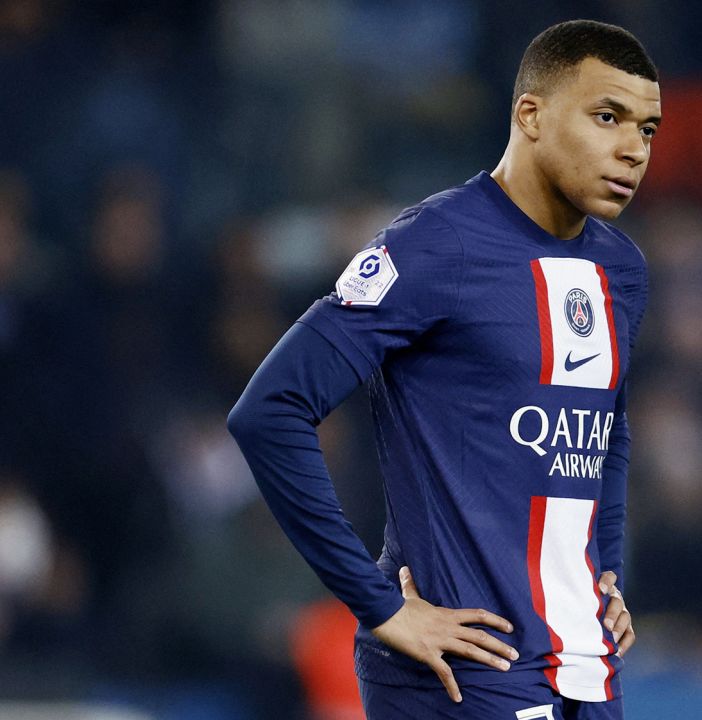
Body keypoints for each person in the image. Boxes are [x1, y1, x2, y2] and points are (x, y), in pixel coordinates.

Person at [227, 19, 659, 720]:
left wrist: (604, 577)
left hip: (585, 668)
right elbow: (270, 411)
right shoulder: (436, 245)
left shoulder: (622, 270)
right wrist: (380, 608)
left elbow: (604, 433)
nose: (632, 149)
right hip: (465, 671)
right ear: (532, 115)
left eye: (647, 129)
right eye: (607, 116)